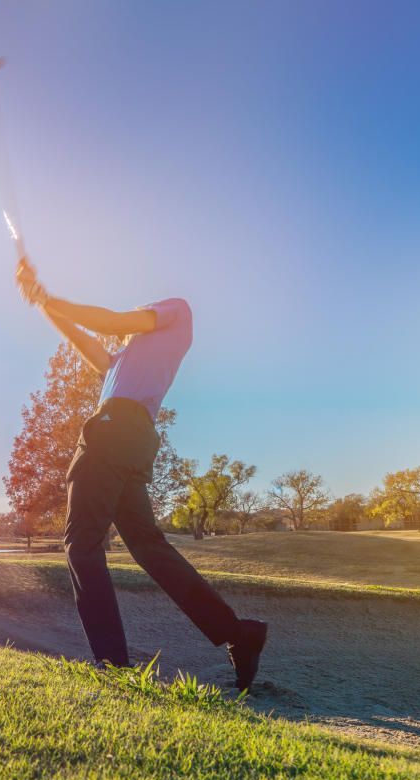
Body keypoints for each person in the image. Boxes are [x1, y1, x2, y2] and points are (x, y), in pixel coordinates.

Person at [14, 257, 267, 691]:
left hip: (113, 432)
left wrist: (51, 297)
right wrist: (42, 302)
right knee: (148, 545)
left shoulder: (176, 310)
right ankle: (238, 634)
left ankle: (112, 663)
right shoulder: (121, 362)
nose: (136, 316)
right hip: (131, 441)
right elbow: (86, 341)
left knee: (80, 543)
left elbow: (112, 321)